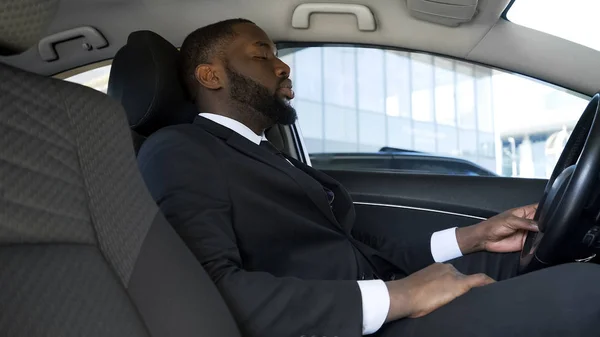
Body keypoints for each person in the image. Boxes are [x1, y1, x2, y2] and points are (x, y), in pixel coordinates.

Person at [137, 18, 600, 337]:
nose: (283, 66)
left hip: (382, 301)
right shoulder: (179, 149)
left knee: (558, 264)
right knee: (585, 293)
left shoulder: (269, 155)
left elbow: (360, 250)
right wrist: (400, 297)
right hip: (348, 324)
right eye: (262, 55)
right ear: (210, 75)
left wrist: (473, 237)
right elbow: (207, 290)